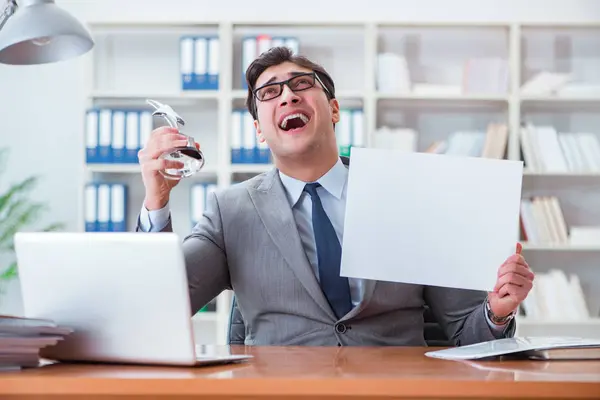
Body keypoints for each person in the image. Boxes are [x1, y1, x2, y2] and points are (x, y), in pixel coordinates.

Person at [136, 47, 534, 347]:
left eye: (301, 84)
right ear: (260, 131)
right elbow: (158, 307)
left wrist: (498, 312)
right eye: (270, 92)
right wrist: (156, 201)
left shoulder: (408, 193)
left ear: (334, 109)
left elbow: (467, 331)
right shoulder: (231, 210)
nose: (288, 96)